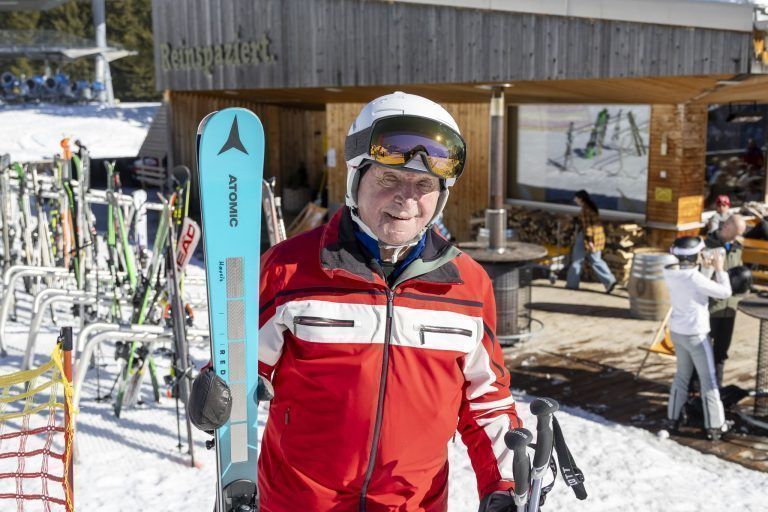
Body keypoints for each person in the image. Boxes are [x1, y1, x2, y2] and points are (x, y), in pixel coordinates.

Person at [189, 92, 523, 512]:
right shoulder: (290, 270)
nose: (407, 198)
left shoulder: (467, 285)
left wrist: (505, 484)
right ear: (354, 179)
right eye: (389, 179)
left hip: (412, 505)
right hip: (299, 501)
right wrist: (213, 394)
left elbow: (485, 399)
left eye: (424, 185)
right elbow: (238, 366)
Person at [663, 236, 732, 440]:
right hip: (696, 335)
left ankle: (672, 419)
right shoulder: (694, 278)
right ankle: (715, 426)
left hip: (678, 332)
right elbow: (724, 292)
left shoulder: (670, 273)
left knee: (682, 376)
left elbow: (696, 286)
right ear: (694, 256)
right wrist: (719, 269)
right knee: (708, 380)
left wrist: (707, 268)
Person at [705, 214, 747, 386]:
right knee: (702, 353)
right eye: (727, 222)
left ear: (737, 234)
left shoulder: (737, 248)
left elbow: (739, 273)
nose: (725, 225)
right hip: (710, 309)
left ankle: (716, 389)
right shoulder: (708, 245)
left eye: (731, 226)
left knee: (721, 353)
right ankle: (694, 390)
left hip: (730, 309)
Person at [565, 190, 617, 293]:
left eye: (576, 198)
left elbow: (588, 227)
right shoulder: (591, 207)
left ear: (581, 199)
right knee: (596, 260)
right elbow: (588, 222)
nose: (574, 200)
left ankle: (572, 284)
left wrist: (589, 241)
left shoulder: (585, 209)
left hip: (587, 237)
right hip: (598, 237)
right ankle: (610, 281)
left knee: (577, 260)